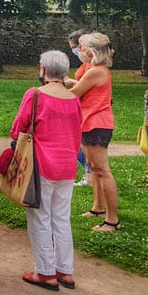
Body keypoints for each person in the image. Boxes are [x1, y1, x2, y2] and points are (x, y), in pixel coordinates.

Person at [11, 51, 82, 291]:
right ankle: (65, 269)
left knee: (40, 217)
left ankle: (45, 272)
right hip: (68, 165)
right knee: (62, 218)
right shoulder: (73, 98)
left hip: (41, 164)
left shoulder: (35, 95)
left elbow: (18, 129)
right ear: (65, 72)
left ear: (42, 69)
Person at [68, 32, 120, 232]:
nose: (79, 51)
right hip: (88, 122)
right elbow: (81, 86)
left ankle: (112, 220)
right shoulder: (91, 68)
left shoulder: (97, 71)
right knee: (93, 167)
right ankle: (98, 208)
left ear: (91, 51)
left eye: (81, 47)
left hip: (96, 124)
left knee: (102, 170)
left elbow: (74, 93)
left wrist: (53, 84)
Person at [65, 29, 93, 187]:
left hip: (86, 109)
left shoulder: (92, 67)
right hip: (80, 106)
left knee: (79, 143)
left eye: (75, 48)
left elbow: (87, 87)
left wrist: (70, 83)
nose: (74, 52)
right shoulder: (85, 65)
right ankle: (89, 173)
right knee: (77, 143)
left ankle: (90, 173)